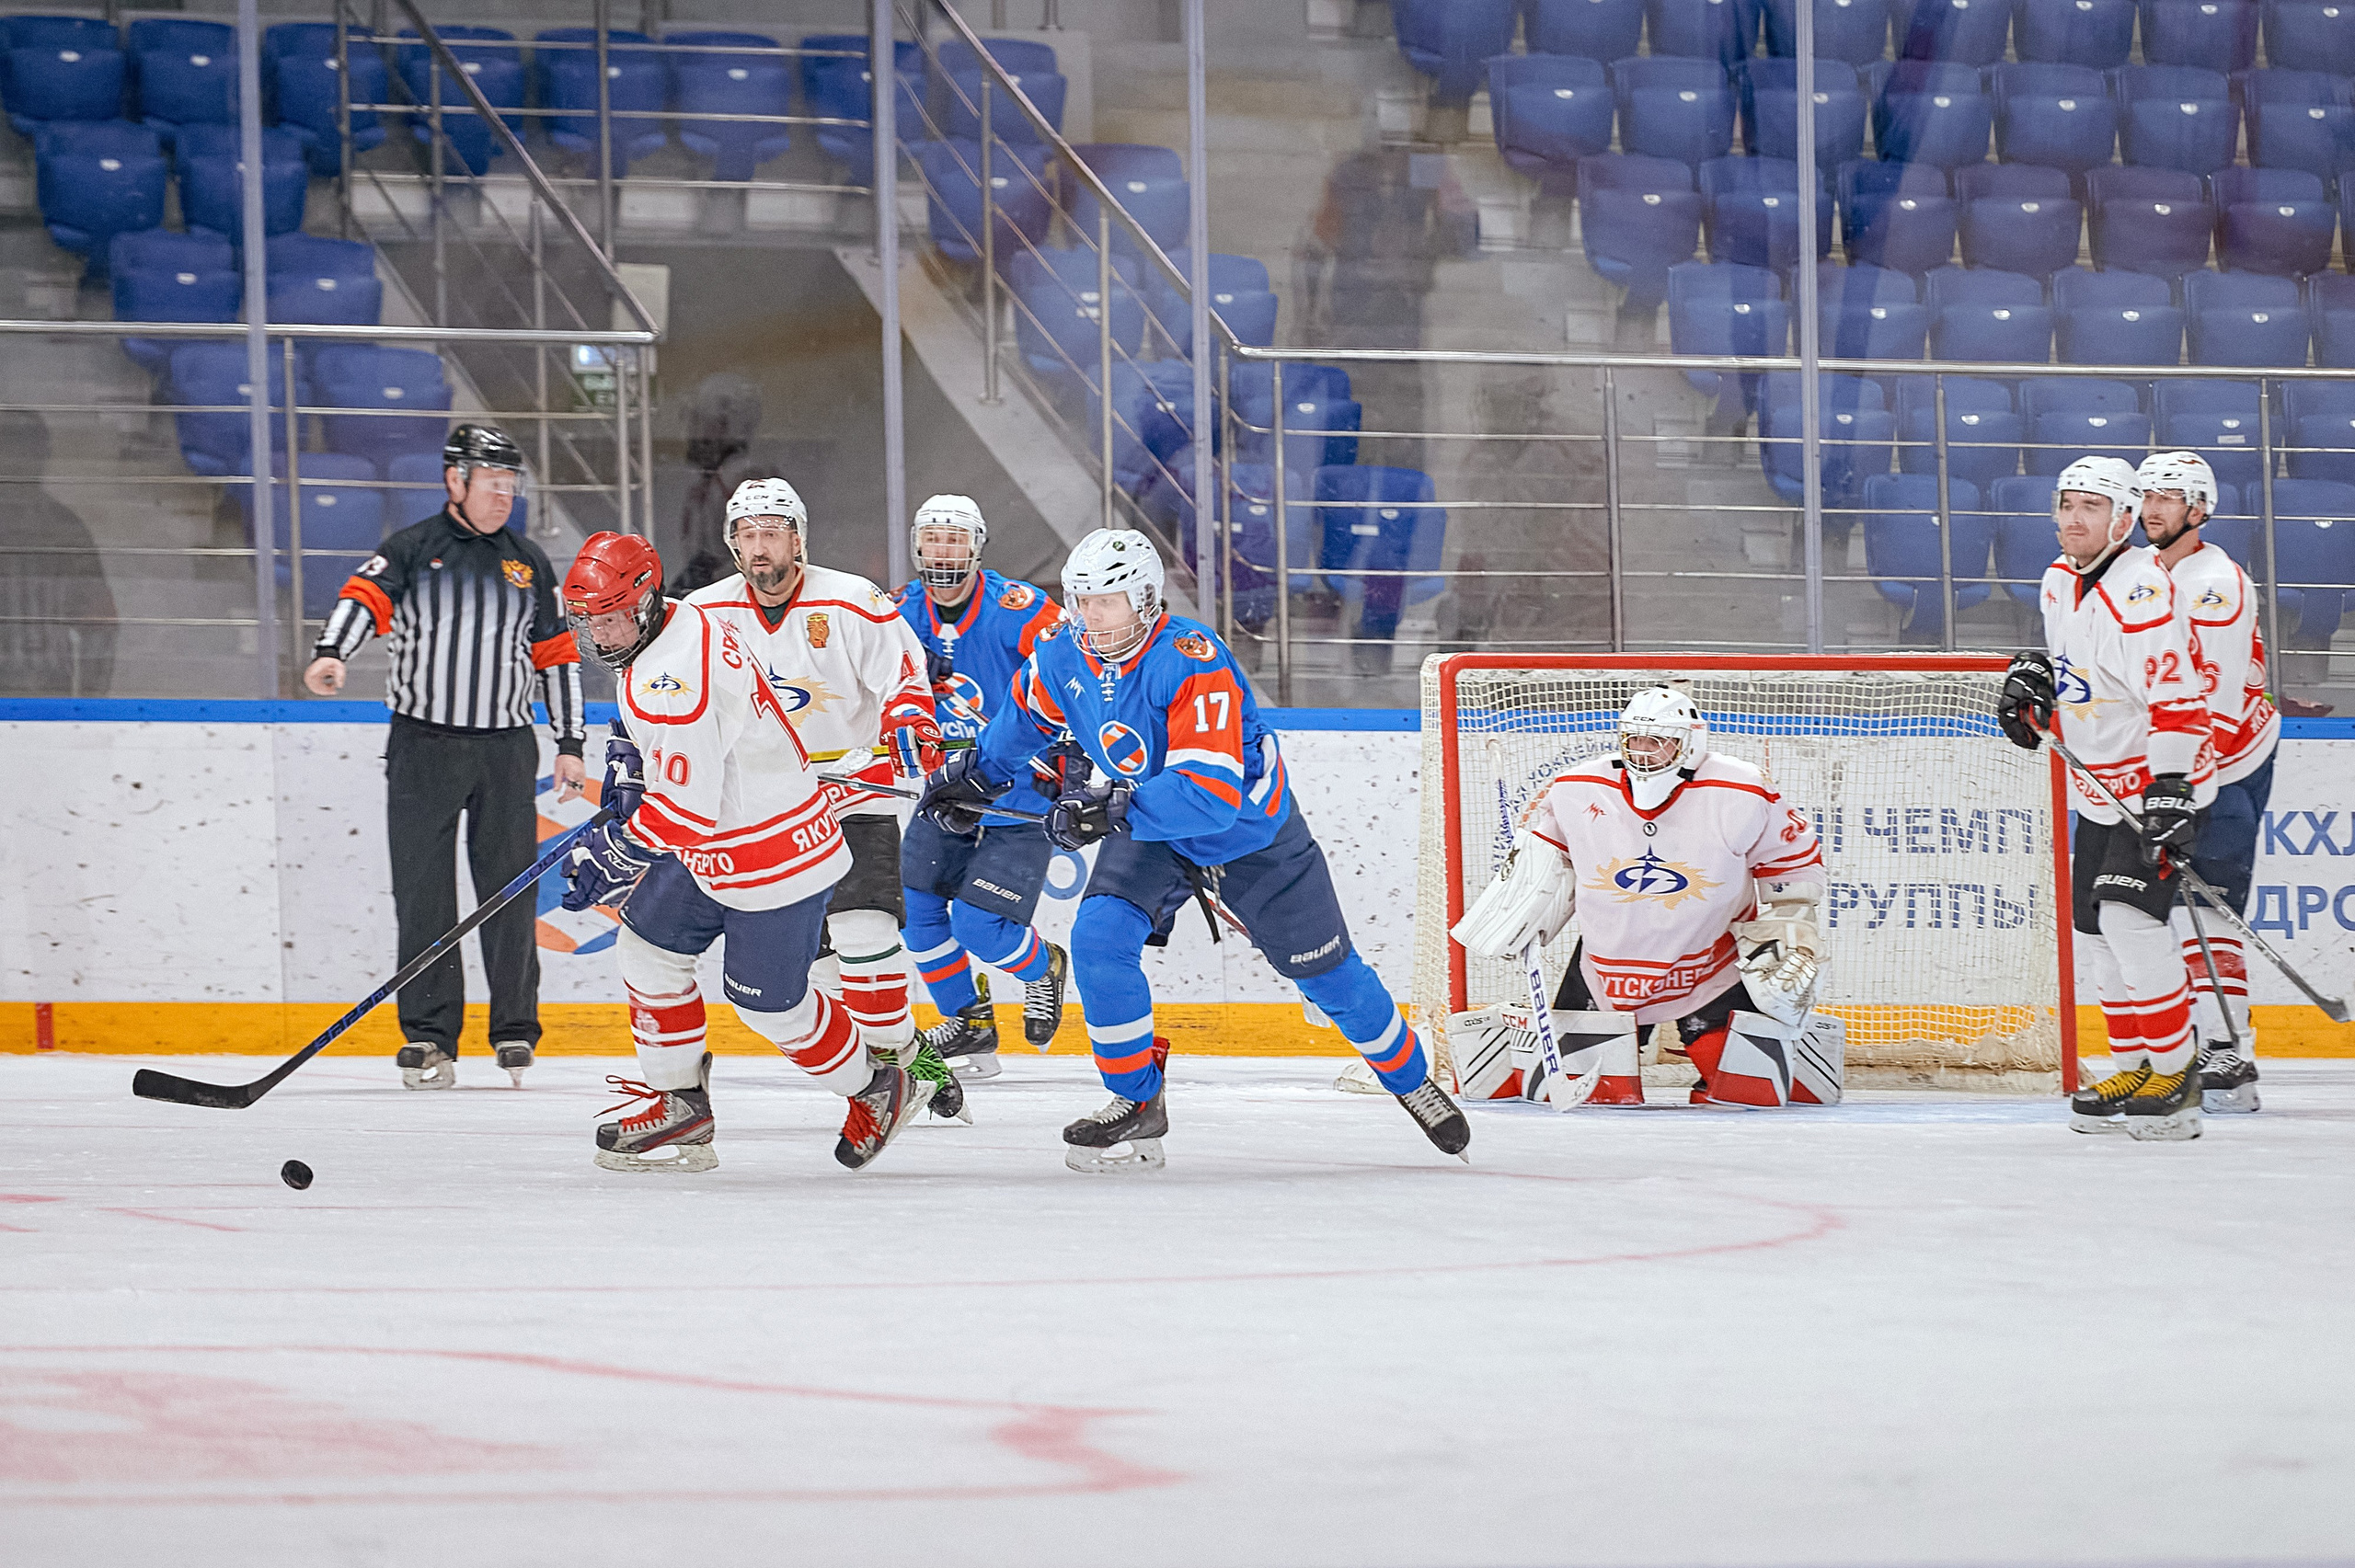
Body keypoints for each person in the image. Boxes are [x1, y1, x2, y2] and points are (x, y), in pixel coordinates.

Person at [921, 527, 1470, 1173]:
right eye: (1081, 599)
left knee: (1329, 977)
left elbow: (1209, 797)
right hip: (1150, 831)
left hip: (1250, 836)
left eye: (1107, 601)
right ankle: (1136, 1098)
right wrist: (976, 775)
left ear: (1145, 600)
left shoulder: (1191, 658)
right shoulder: (1062, 654)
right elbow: (1023, 720)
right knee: (1099, 939)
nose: (1090, 615)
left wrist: (1107, 809)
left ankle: (1410, 1080)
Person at [557, 530, 933, 1172]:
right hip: (719, 838)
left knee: (769, 1004)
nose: (601, 633)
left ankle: (878, 1088)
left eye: (613, 616)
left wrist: (616, 850)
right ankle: (680, 1102)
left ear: (644, 601)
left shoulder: (675, 678)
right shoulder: (679, 618)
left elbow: (684, 810)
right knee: (647, 949)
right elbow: (668, 747)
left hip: (771, 851)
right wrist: (630, 755)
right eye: (589, 619)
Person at [305, 424, 584, 1091]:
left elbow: (556, 656)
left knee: (509, 892)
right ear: (454, 481)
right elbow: (361, 599)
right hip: (423, 747)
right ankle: (429, 1035)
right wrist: (331, 652)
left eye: (510, 486)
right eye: (492, 484)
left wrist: (571, 742)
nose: (504, 497)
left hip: (505, 750)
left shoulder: (528, 562)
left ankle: (514, 1028)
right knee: (424, 895)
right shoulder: (411, 549)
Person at [682, 478, 948, 1092]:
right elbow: (670, 693)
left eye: (772, 533)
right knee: (822, 968)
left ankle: (913, 1070)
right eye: (747, 535)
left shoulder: (853, 600)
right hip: (767, 813)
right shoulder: (701, 613)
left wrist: (909, 720)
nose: (759, 548)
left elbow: (905, 678)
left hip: (854, 797)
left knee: (865, 934)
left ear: (798, 539)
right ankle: (903, 1072)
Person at [1448, 686, 1829, 1107]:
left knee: (1749, 1092)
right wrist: (1523, 911)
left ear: (1690, 743)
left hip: (1709, 960)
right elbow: (1549, 865)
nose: (1643, 752)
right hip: (1608, 961)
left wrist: (1792, 929)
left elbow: (1789, 864)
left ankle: (1788, 1054)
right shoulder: (1578, 787)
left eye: (1658, 741)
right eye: (1635, 740)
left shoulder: (1741, 789)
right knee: (1599, 1095)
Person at [1998, 456, 2215, 1140]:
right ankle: (2133, 1067)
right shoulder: (2058, 579)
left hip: (2157, 784)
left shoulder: (2143, 590)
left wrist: (2171, 791)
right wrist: (2037, 677)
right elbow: (2078, 663)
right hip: (2098, 786)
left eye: (2090, 506)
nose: (2073, 518)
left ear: (2123, 520)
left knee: (2129, 920)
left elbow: (2178, 699)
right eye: (2066, 504)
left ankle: (2177, 1077)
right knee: (2093, 930)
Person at [892, 494, 1070, 1080]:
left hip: (1020, 794)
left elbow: (1079, 671)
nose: (943, 551)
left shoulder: (1019, 610)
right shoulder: (895, 614)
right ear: (916, 546)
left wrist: (1074, 753)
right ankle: (969, 1021)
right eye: (933, 539)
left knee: (979, 928)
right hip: (945, 793)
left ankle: (1043, 967)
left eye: (955, 539)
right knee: (917, 915)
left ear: (977, 548)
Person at [2137, 451, 2278, 1113]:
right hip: (2171, 760)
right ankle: (2183, 1041)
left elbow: (2214, 710)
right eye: (2146, 495)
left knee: (2208, 903)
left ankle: (2229, 1047)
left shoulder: (2216, 584)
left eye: (2167, 497)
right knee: (2155, 908)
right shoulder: (2139, 573)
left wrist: (2181, 788)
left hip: (2228, 763)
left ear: (2199, 509)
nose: (2151, 508)